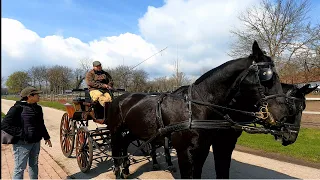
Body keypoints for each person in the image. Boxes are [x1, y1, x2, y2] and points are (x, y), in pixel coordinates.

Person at [1, 86, 52, 179]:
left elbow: (41, 124)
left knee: (34, 165)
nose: (39, 96)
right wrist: (22, 133)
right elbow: (4, 125)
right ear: (30, 96)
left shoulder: (38, 108)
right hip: (22, 144)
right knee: (20, 168)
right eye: (37, 94)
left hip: (36, 142)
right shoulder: (17, 108)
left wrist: (46, 137)